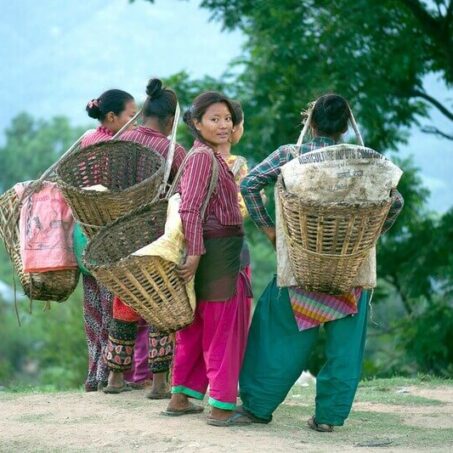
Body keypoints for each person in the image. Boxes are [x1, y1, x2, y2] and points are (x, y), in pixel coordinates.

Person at [237, 94, 404, 431]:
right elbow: (395, 202)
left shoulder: (291, 155)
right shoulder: (368, 162)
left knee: (278, 336)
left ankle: (257, 408)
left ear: (310, 122)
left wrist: (270, 230)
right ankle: (328, 418)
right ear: (345, 127)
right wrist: (367, 236)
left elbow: (249, 183)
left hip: (301, 266)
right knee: (344, 347)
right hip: (352, 270)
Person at [162, 92, 252, 427]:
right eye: (214, 118)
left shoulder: (208, 156)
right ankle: (222, 408)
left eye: (227, 118)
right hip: (217, 254)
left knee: (197, 326)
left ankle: (181, 396)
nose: (224, 125)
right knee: (222, 329)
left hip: (211, 251)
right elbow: (191, 208)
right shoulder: (203, 158)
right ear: (197, 123)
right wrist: (198, 254)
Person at [103, 78, 186, 398]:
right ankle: (160, 383)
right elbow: (182, 195)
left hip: (121, 236)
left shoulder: (120, 142)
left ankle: (115, 378)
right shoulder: (173, 150)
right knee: (159, 305)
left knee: (124, 304)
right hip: (156, 238)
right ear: (169, 121)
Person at [77, 89, 137, 392]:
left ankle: (93, 374)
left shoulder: (87, 139)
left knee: (93, 313)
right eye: (130, 115)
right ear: (112, 118)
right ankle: (106, 374)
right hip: (109, 239)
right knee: (113, 307)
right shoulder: (116, 148)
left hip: (84, 238)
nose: (135, 120)